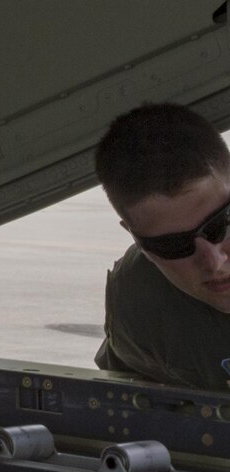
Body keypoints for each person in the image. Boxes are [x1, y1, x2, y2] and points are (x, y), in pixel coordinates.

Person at [92, 103, 230, 389]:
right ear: (138, 242)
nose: (213, 261)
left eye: (220, 225)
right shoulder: (141, 300)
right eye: (172, 245)